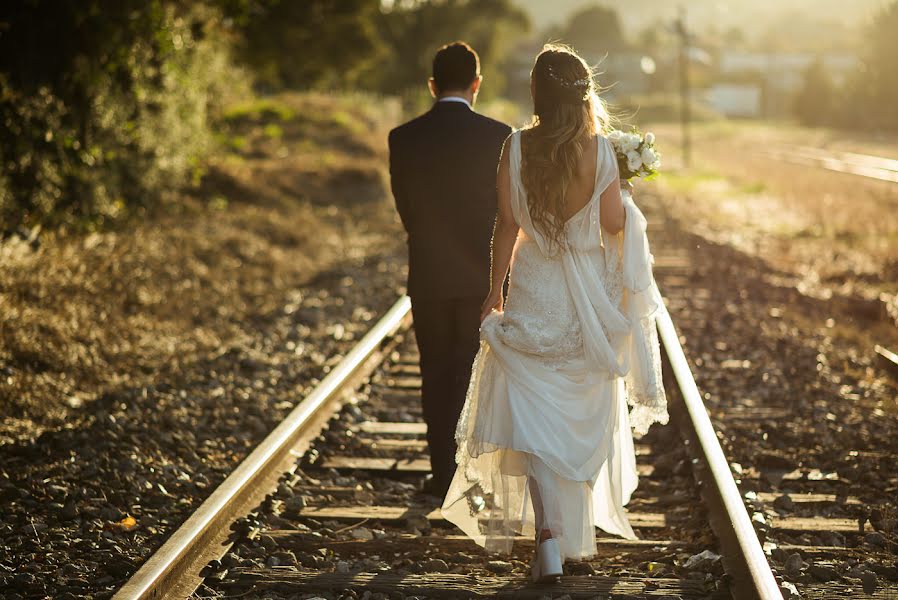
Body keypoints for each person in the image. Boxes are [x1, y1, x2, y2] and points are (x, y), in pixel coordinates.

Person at [441, 44, 668, 583]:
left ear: (536, 93)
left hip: (535, 291)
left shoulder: (514, 146)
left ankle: (547, 535)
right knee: (579, 415)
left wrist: (493, 292)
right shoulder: (601, 153)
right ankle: (569, 531)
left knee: (534, 416)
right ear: (584, 94)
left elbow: (506, 224)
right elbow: (614, 224)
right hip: (585, 300)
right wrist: (621, 192)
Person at [388, 42, 512, 497]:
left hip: (431, 277)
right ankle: (471, 475)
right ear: (476, 84)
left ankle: (442, 477)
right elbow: (507, 212)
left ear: (432, 85)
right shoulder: (500, 134)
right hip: (484, 278)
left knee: (435, 373)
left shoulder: (402, 137)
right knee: (475, 376)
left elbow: (408, 212)